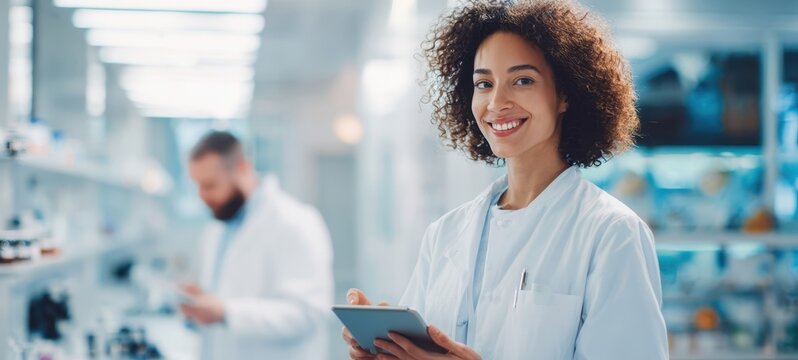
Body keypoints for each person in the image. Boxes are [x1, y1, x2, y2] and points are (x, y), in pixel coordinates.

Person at [342, 1, 668, 359]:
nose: (497, 102)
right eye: (484, 83)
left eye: (522, 80)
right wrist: (388, 350)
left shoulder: (612, 234)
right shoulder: (445, 234)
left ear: (565, 95)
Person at [183, 131, 333, 360]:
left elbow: (310, 314)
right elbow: (227, 297)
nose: (202, 196)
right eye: (198, 186)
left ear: (242, 168)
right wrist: (203, 301)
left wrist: (226, 311)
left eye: (210, 185)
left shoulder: (296, 222)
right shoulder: (219, 225)